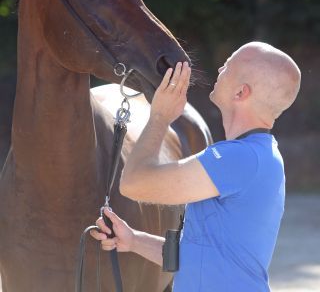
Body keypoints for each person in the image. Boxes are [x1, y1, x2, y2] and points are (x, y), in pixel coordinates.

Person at [91, 41, 301, 291]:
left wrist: (159, 117)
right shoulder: (256, 155)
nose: (221, 67)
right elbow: (200, 256)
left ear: (240, 93)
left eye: (229, 65)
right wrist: (134, 240)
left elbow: (133, 183)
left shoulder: (240, 158)